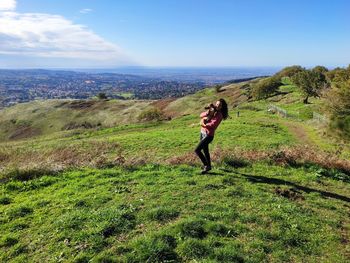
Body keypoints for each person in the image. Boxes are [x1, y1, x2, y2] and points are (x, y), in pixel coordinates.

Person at [195, 98, 228, 174]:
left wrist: (203, 124)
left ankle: (206, 165)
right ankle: (208, 166)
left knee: (197, 150)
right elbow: (201, 115)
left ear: (222, 107)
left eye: (219, 105)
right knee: (205, 151)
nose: (217, 106)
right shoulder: (212, 110)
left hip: (208, 135)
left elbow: (213, 125)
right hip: (202, 132)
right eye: (217, 104)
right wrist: (208, 112)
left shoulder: (219, 115)